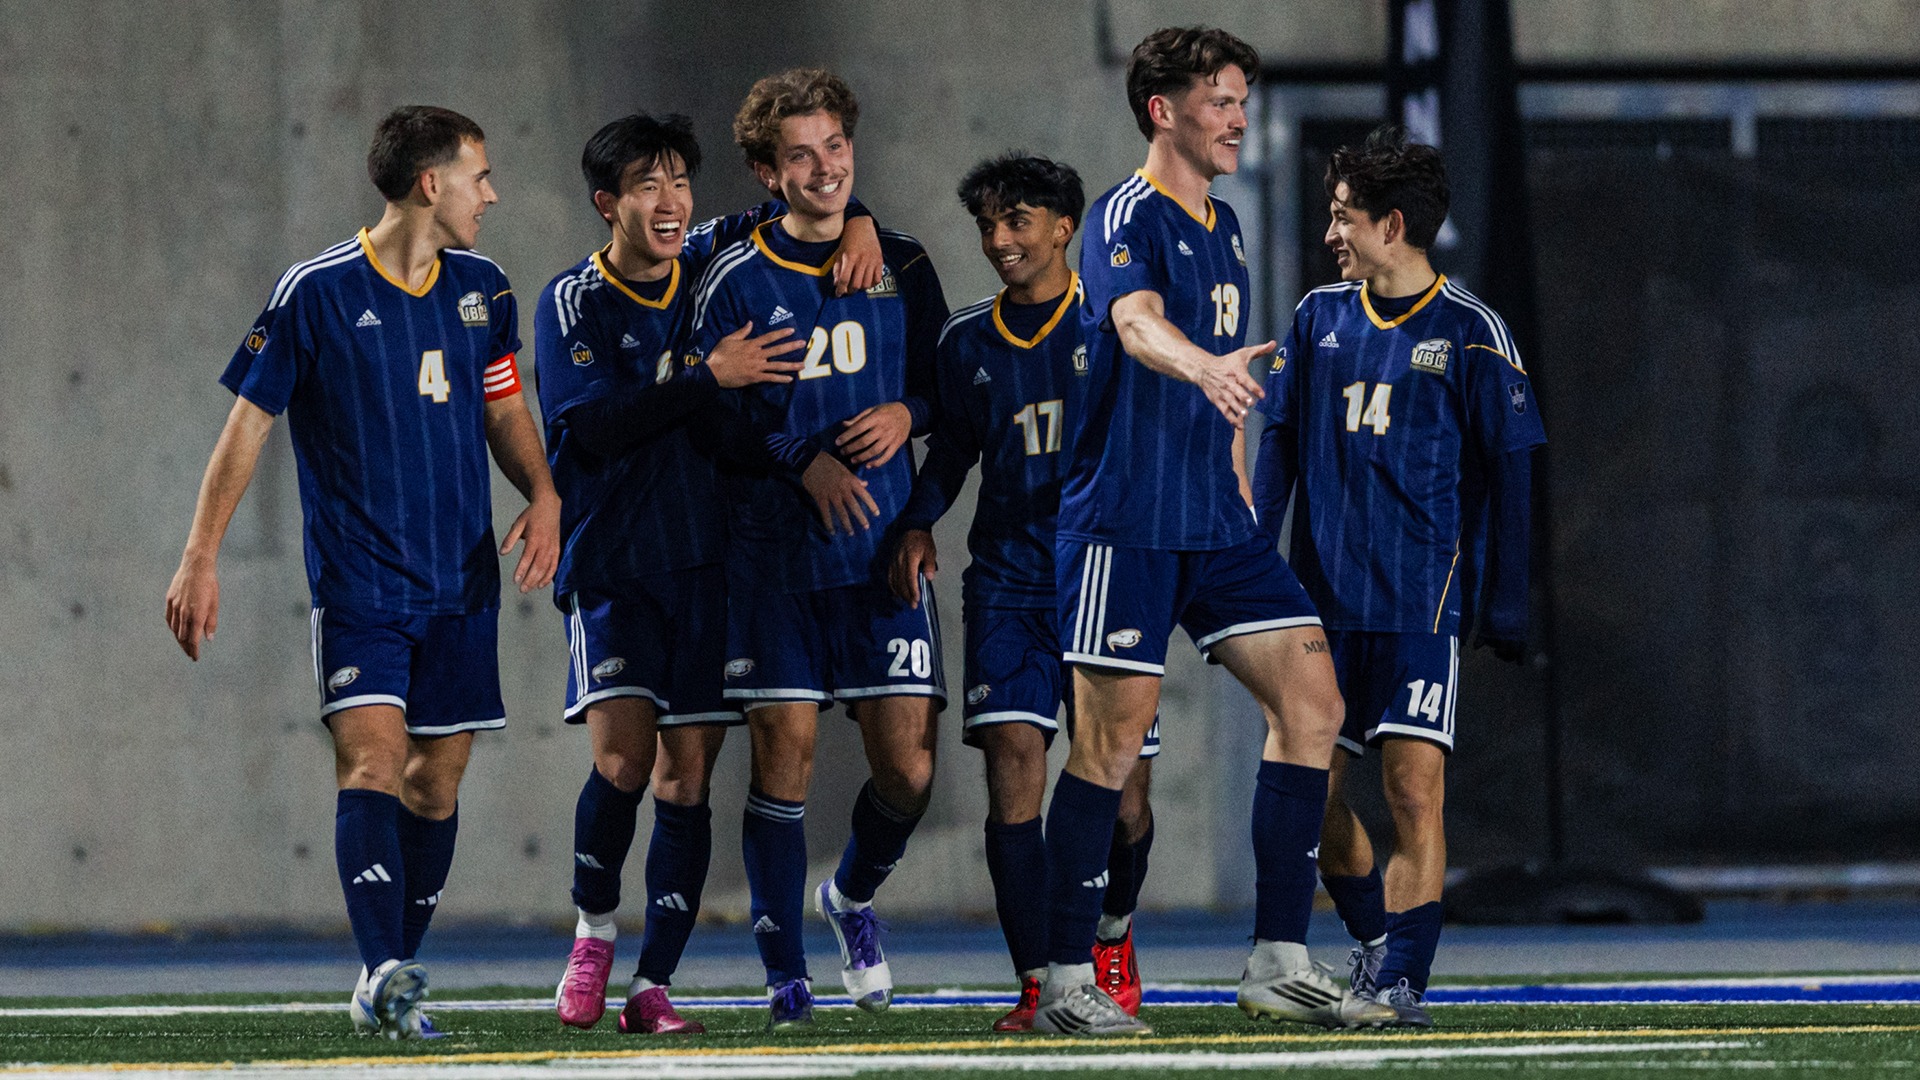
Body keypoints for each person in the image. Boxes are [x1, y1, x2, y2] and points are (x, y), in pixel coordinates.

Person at [1028, 27, 1401, 1036]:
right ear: (1165, 110)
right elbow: (1137, 324)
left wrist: (1233, 463)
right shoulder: (1124, 216)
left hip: (1213, 524)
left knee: (1313, 702)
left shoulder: (1225, 223)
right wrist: (1203, 367)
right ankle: (1066, 982)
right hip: (1125, 523)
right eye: (1221, 99)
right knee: (1108, 754)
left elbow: (1227, 381)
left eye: (1242, 100)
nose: (1238, 117)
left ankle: (1279, 960)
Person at [163, 106, 560, 1039]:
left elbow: (504, 409)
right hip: (361, 588)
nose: (492, 194)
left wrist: (542, 494)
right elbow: (246, 430)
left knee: (437, 785)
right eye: (481, 176)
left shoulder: (484, 289)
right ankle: (383, 967)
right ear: (433, 183)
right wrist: (200, 556)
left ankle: (394, 970)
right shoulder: (315, 291)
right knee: (374, 762)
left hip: (461, 583)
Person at [536, 113, 883, 1034]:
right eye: (647, 185)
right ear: (608, 204)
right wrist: (708, 376)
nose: (670, 200)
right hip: (613, 564)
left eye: (680, 181)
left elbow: (811, 199)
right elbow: (593, 428)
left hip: (707, 567)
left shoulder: (709, 260)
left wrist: (864, 224)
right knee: (620, 763)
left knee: (685, 783)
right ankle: (592, 930)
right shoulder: (572, 301)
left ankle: (652, 986)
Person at [1252, 125, 1547, 1026]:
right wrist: (1251, 564)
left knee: (1414, 790)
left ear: (1392, 224)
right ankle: (1376, 939)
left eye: (1343, 217)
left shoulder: (1473, 332)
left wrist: (1504, 600)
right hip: (1317, 609)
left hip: (1422, 606)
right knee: (1320, 801)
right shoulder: (1316, 317)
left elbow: (1514, 476)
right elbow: (1279, 448)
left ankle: (1403, 980)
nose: (1331, 232)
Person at [683, 68, 950, 1031]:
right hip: (776, 562)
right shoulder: (732, 277)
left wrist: (904, 410)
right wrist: (803, 461)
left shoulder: (903, 262)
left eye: (836, 147)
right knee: (783, 761)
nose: (826, 168)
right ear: (766, 171)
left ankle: (851, 899)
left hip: (881, 559)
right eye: (800, 154)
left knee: (909, 774)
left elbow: (945, 395)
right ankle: (784, 974)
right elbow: (708, 422)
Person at [889, 153, 1158, 1031]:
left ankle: (1109, 932)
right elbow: (954, 451)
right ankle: (1041, 981)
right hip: (1006, 584)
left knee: (1124, 799)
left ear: (1063, 227)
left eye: (1018, 221)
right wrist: (920, 519)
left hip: (1109, 581)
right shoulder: (966, 341)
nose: (1000, 240)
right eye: (988, 225)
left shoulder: (1117, 324)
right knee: (1014, 764)